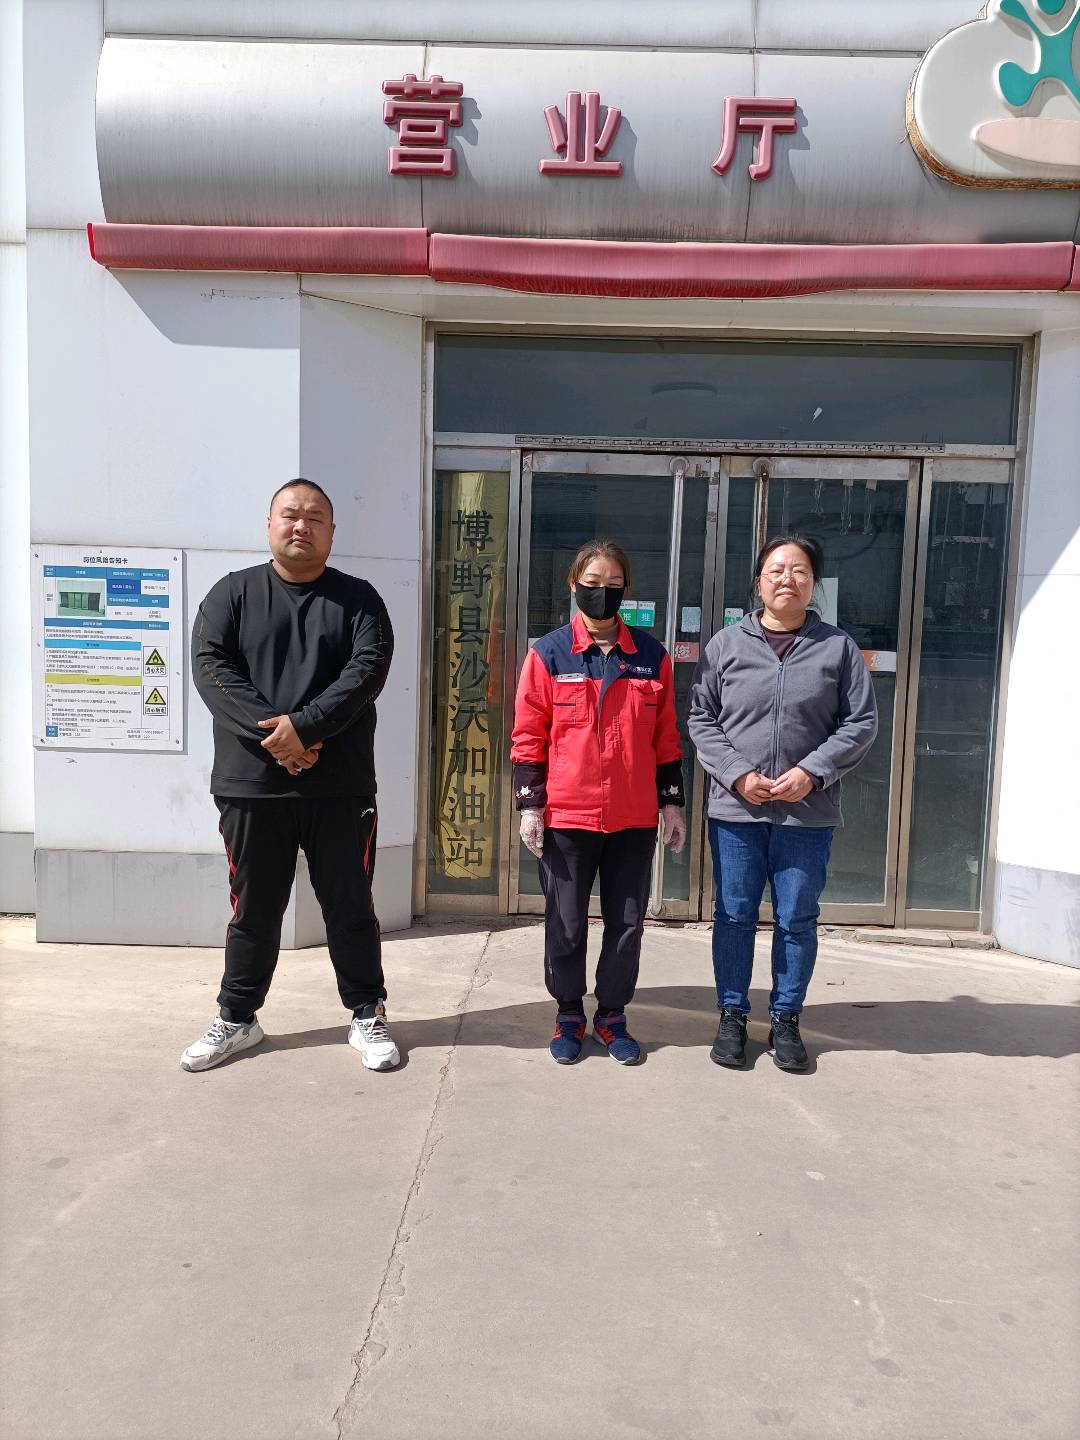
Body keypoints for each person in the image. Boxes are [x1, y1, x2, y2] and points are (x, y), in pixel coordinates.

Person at [181, 479, 398, 1073]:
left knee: (350, 905)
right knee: (253, 909)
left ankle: (367, 1011)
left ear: (332, 531)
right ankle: (237, 1017)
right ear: (270, 524)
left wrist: (303, 727)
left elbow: (368, 670)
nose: (301, 526)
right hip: (252, 786)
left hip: (340, 787)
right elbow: (211, 669)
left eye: (315, 517)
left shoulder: (360, 601)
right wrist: (278, 738)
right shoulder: (232, 595)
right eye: (290, 515)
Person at [687, 534, 877, 1073]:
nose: (787, 579)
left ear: (814, 583)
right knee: (734, 915)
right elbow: (701, 717)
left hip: (806, 814)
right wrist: (737, 774)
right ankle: (731, 1015)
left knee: (797, 917)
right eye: (776, 570)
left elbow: (861, 722)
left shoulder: (837, 648)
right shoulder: (726, 645)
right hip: (737, 811)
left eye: (799, 571)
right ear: (758, 582)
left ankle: (786, 1017)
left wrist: (812, 773)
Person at [511, 539, 687, 1066]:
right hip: (567, 815)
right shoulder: (549, 654)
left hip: (632, 818)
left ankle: (611, 1015)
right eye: (592, 584)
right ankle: (569, 1013)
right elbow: (529, 734)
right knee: (565, 922)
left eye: (613, 585)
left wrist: (671, 803)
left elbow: (665, 737)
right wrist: (530, 805)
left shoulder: (651, 657)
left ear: (626, 589)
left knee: (626, 923)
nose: (602, 593)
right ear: (574, 585)